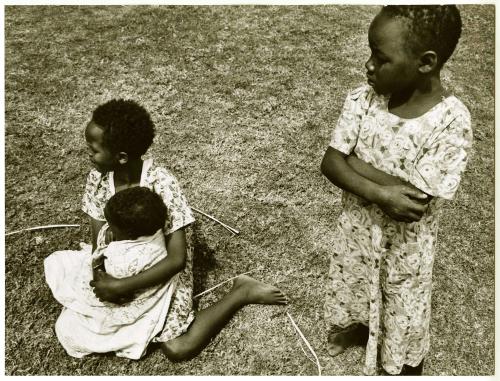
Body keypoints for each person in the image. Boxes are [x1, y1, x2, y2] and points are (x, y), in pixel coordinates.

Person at [321, 5, 472, 376]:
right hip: (356, 232)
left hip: (405, 251)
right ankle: (356, 330)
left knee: (401, 308)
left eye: (381, 57)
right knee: (353, 283)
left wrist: (352, 161)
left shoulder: (451, 122)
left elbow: (414, 201)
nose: (368, 65)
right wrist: (382, 190)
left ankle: (400, 364)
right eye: (370, 53)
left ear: (426, 62)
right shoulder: (363, 98)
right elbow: (329, 163)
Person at [80, 99, 287, 360]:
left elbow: (177, 259)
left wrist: (123, 286)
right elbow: (98, 241)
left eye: (93, 150)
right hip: (122, 260)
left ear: (121, 157)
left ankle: (242, 291)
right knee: (96, 317)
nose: (88, 156)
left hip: (162, 261)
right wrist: (102, 276)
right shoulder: (97, 180)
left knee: (177, 347)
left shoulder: (162, 183)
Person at [45, 187, 178, 359]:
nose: (108, 228)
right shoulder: (155, 235)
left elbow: (102, 271)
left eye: (112, 226)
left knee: (67, 326)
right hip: (131, 280)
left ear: (129, 233)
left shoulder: (121, 260)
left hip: (121, 299)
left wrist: (107, 246)